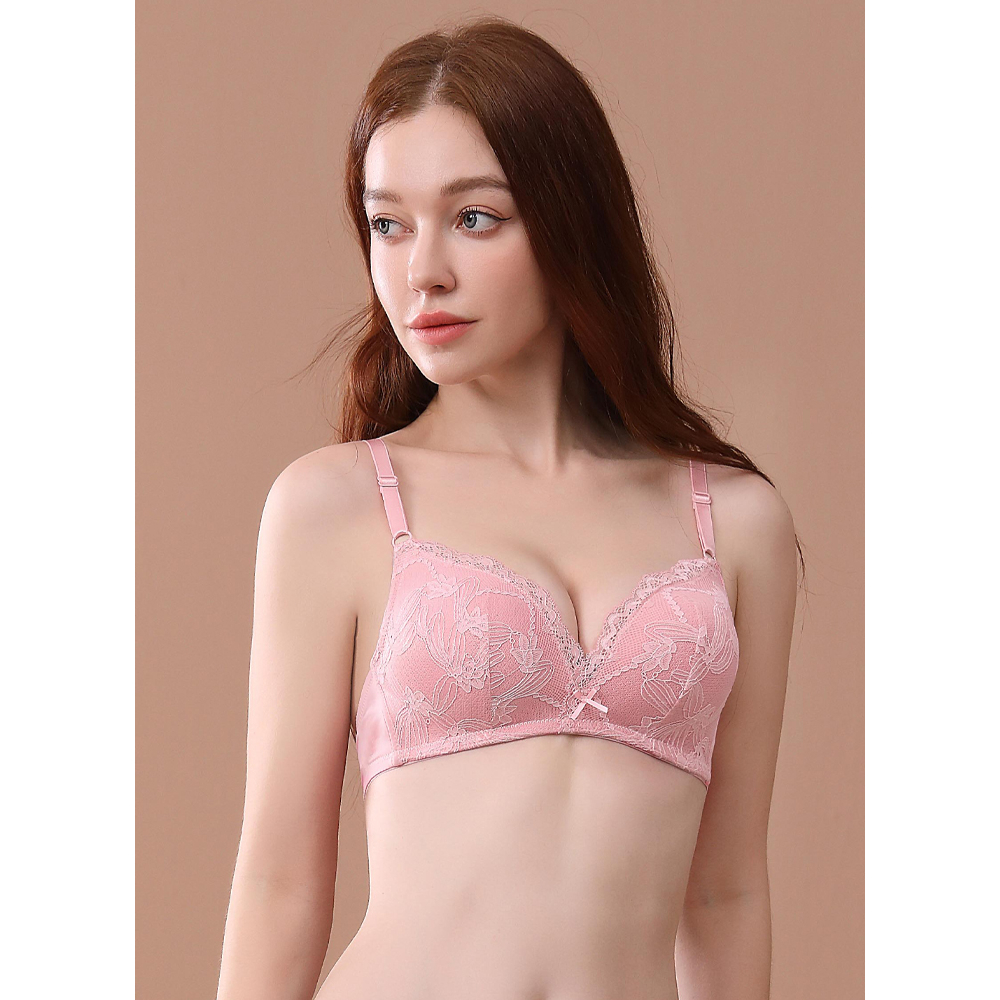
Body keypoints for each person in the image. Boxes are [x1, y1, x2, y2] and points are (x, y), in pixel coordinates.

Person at [216, 15, 801, 1000]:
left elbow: (726, 893)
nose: (422, 271)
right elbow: (279, 884)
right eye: (388, 223)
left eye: (474, 218)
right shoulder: (337, 507)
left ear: (572, 219)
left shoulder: (737, 524)